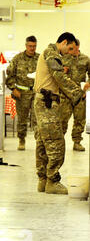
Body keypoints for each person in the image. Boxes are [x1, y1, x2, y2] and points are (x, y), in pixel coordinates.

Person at [33, 32, 83, 195]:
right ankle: (52, 182)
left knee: (43, 142)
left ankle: (43, 181)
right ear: (63, 42)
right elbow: (60, 76)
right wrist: (77, 93)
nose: (70, 52)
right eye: (70, 48)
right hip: (47, 103)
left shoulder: (50, 53)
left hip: (44, 101)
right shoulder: (51, 53)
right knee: (56, 142)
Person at [6, 36, 40, 150]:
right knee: (22, 119)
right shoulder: (17, 58)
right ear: (26, 46)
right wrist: (13, 89)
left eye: (34, 46)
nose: (32, 48)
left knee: (37, 119)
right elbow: (10, 75)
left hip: (36, 93)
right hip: (22, 93)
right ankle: (21, 140)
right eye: (30, 46)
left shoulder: (40, 59)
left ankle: (39, 141)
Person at [60, 39, 90, 151]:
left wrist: (88, 83)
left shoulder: (85, 59)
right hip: (65, 95)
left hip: (80, 94)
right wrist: (62, 70)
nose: (74, 50)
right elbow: (55, 74)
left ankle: (77, 142)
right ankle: (60, 141)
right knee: (62, 119)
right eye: (72, 48)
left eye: (76, 48)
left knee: (79, 120)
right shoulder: (63, 58)